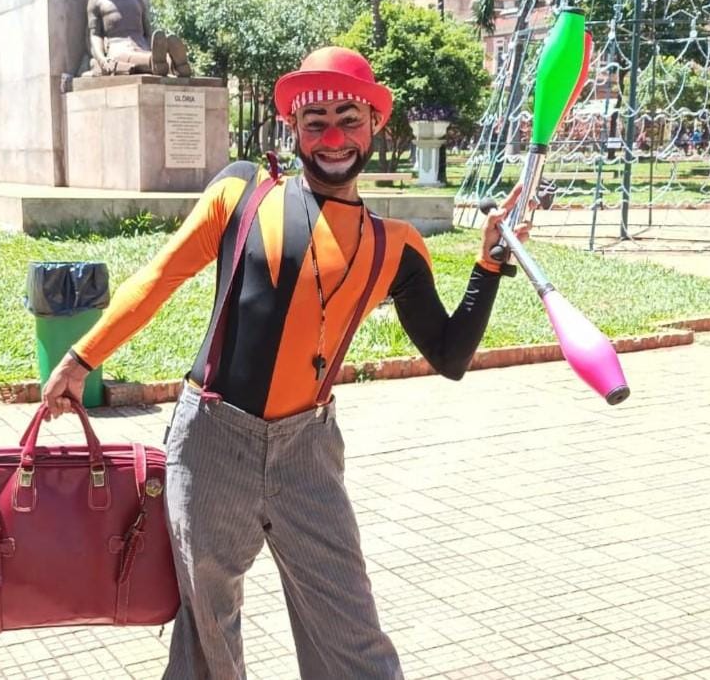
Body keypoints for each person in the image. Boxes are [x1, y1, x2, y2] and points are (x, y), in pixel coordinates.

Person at [41, 47, 531, 679]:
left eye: (349, 120)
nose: (333, 138)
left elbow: (450, 354)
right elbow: (160, 278)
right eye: (315, 122)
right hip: (213, 439)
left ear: (375, 125)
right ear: (293, 127)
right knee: (208, 632)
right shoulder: (242, 193)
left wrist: (489, 264)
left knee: (350, 633)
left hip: (308, 451)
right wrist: (82, 357)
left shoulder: (396, 247)